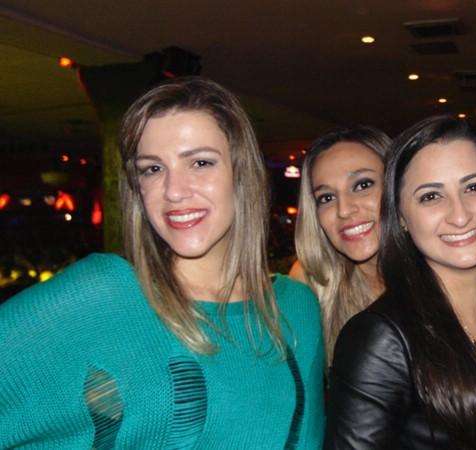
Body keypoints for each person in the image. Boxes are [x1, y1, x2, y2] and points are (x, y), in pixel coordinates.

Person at [0, 77, 324, 448]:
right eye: (152, 169)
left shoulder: (297, 308)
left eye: (200, 163)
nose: (174, 191)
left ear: (242, 174)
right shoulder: (104, 295)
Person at [325, 115, 476, 449]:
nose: (460, 215)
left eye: (474, 187)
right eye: (430, 196)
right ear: (401, 217)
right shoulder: (381, 338)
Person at [290, 126, 390, 361]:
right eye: (326, 198)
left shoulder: (448, 272)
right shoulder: (313, 285)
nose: (344, 210)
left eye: (363, 185)